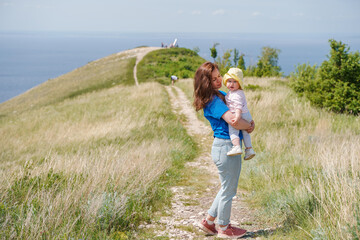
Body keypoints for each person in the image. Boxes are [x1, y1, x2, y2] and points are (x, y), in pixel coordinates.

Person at [193, 62, 255, 238]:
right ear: (206, 83)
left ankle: (209, 221)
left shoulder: (220, 95)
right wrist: (249, 125)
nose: (219, 80)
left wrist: (248, 123)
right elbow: (233, 121)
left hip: (223, 147)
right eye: (213, 79)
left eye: (219, 76)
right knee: (229, 190)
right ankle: (224, 227)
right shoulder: (213, 101)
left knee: (225, 187)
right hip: (226, 146)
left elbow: (238, 110)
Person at [223, 68, 256, 160]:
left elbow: (238, 107)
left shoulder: (236, 94)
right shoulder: (236, 92)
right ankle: (249, 149)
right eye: (229, 81)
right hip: (247, 115)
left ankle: (236, 146)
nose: (231, 84)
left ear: (239, 83)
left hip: (240, 114)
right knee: (245, 132)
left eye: (235, 82)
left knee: (233, 130)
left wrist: (237, 117)